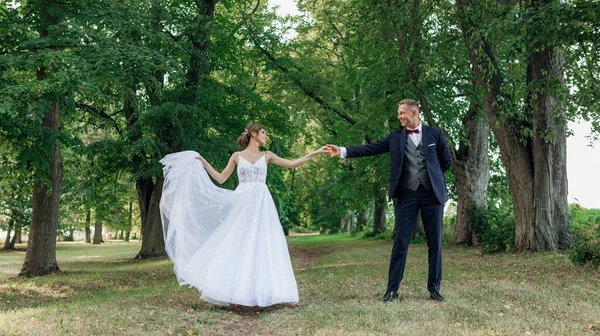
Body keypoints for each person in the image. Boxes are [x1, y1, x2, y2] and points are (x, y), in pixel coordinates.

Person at [159, 123, 328, 307]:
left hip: (263, 205)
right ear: (254, 134)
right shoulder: (236, 156)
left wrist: (317, 152)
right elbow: (221, 178)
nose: (266, 136)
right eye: (263, 132)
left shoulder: (267, 155)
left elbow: (292, 164)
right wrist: (202, 161)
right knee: (239, 245)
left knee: (266, 244)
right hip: (242, 204)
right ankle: (234, 294)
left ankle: (279, 293)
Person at [326, 99, 452, 303]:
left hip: (432, 196)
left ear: (414, 112)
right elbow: (371, 148)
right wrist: (341, 151)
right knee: (400, 242)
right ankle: (392, 290)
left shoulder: (435, 134)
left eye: (402, 113)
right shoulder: (395, 137)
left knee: (435, 243)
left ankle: (434, 289)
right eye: (398, 113)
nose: (400, 116)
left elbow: (446, 161)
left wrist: (433, 177)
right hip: (407, 195)